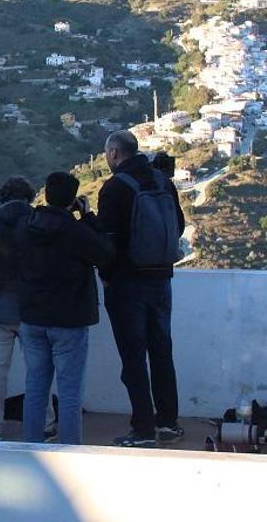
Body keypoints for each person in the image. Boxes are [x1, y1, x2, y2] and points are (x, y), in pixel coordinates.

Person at [98, 130, 186, 447]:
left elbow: (107, 240)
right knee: (161, 351)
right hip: (161, 279)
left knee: (133, 357)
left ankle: (143, 428)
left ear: (114, 153)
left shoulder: (115, 188)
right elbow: (180, 223)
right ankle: (168, 422)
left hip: (127, 282)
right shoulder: (164, 182)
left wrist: (106, 275)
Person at [17, 172, 114, 445]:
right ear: (72, 200)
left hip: (32, 318)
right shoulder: (75, 232)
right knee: (70, 393)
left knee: (35, 388)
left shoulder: (26, 227)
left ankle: (31, 446)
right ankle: (69, 449)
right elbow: (106, 253)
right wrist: (88, 217)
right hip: (69, 321)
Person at [0, 176, 55, 441]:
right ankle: (46, 423)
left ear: (3, 196)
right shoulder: (39, 221)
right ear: (28, 195)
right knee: (38, 370)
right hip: (32, 309)